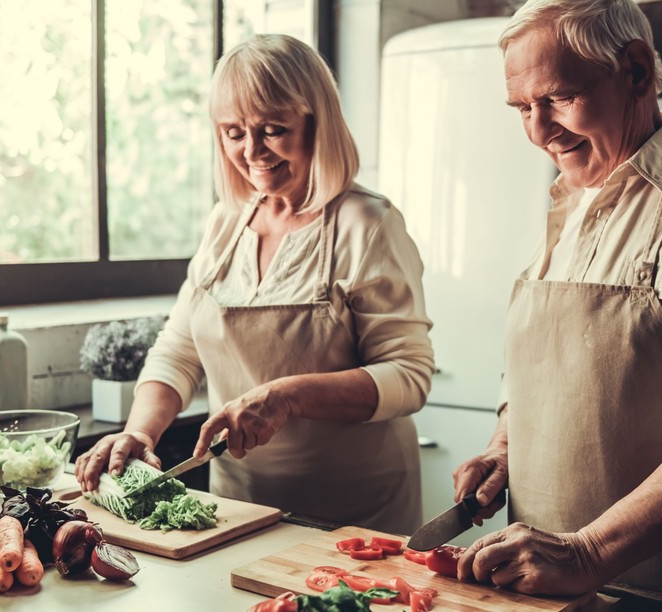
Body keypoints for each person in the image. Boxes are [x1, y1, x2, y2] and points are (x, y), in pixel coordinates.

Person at [451, 0, 662, 609]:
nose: (539, 132)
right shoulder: (563, 206)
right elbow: (542, 365)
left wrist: (588, 551)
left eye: (560, 98)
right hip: (546, 593)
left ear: (638, 73)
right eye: (522, 108)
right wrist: (503, 446)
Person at [74, 34, 434, 535]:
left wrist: (289, 395)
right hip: (238, 508)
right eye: (233, 132)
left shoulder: (367, 224)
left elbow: (409, 377)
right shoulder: (226, 224)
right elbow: (178, 351)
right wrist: (140, 431)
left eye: (272, 129)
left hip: (356, 518)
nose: (252, 151)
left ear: (317, 123)